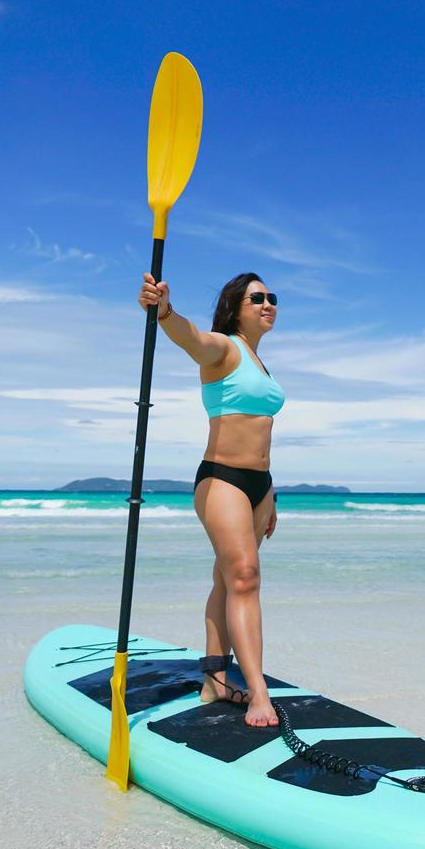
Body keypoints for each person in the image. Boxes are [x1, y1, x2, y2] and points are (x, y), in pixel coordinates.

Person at [138, 270, 285, 727]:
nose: (268, 304)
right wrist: (164, 312)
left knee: (227, 582)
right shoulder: (224, 348)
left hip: (259, 486)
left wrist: (271, 494)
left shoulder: (261, 363)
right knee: (244, 578)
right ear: (235, 307)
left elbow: (262, 437)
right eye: (256, 297)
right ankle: (257, 691)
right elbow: (193, 340)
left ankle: (215, 681)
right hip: (222, 480)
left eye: (272, 297)